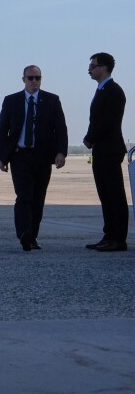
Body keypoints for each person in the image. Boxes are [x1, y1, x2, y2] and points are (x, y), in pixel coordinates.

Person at [0, 65, 68, 251]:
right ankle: (23, 234)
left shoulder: (52, 100)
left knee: (38, 198)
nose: (34, 81)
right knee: (24, 197)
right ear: (23, 80)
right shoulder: (11, 101)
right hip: (20, 156)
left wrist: (61, 152)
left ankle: (32, 235)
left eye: (38, 78)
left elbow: (60, 128)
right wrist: (2, 157)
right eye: (31, 78)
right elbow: (3, 130)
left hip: (43, 156)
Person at [84, 52, 129, 252]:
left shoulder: (114, 91)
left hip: (109, 149)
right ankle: (109, 235)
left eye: (93, 66)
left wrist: (89, 138)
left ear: (103, 68)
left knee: (114, 195)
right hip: (101, 150)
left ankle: (118, 239)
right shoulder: (102, 90)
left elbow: (107, 122)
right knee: (105, 194)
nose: (90, 69)